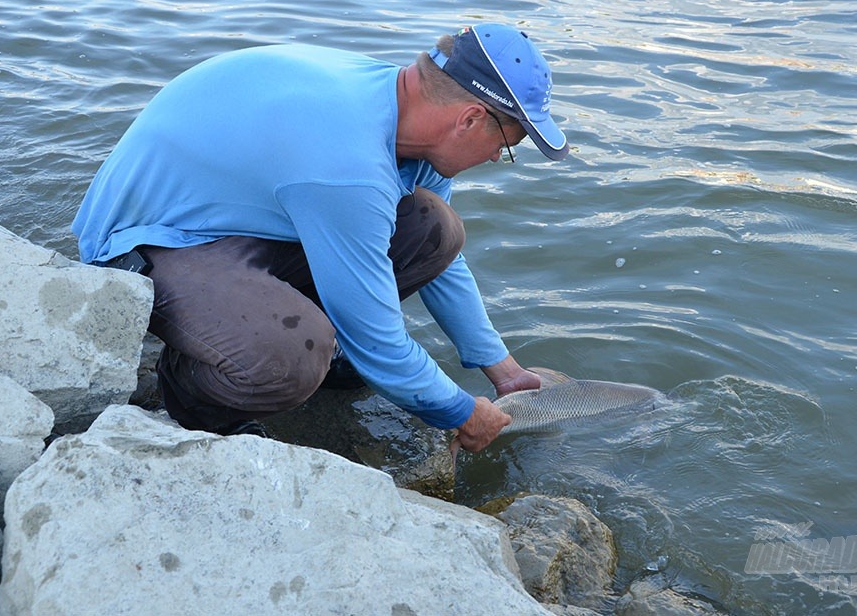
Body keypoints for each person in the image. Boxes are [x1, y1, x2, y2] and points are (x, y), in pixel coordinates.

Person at [72, 23, 569, 452]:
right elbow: (378, 343)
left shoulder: (405, 113)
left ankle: (283, 338)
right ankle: (194, 397)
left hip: (246, 216)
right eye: (505, 147)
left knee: (436, 228)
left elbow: (442, 263)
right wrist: (460, 412)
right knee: (286, 359)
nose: (493, 161)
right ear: (470, 119)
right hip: (146, 241)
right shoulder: (347, 163)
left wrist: (501, 368)